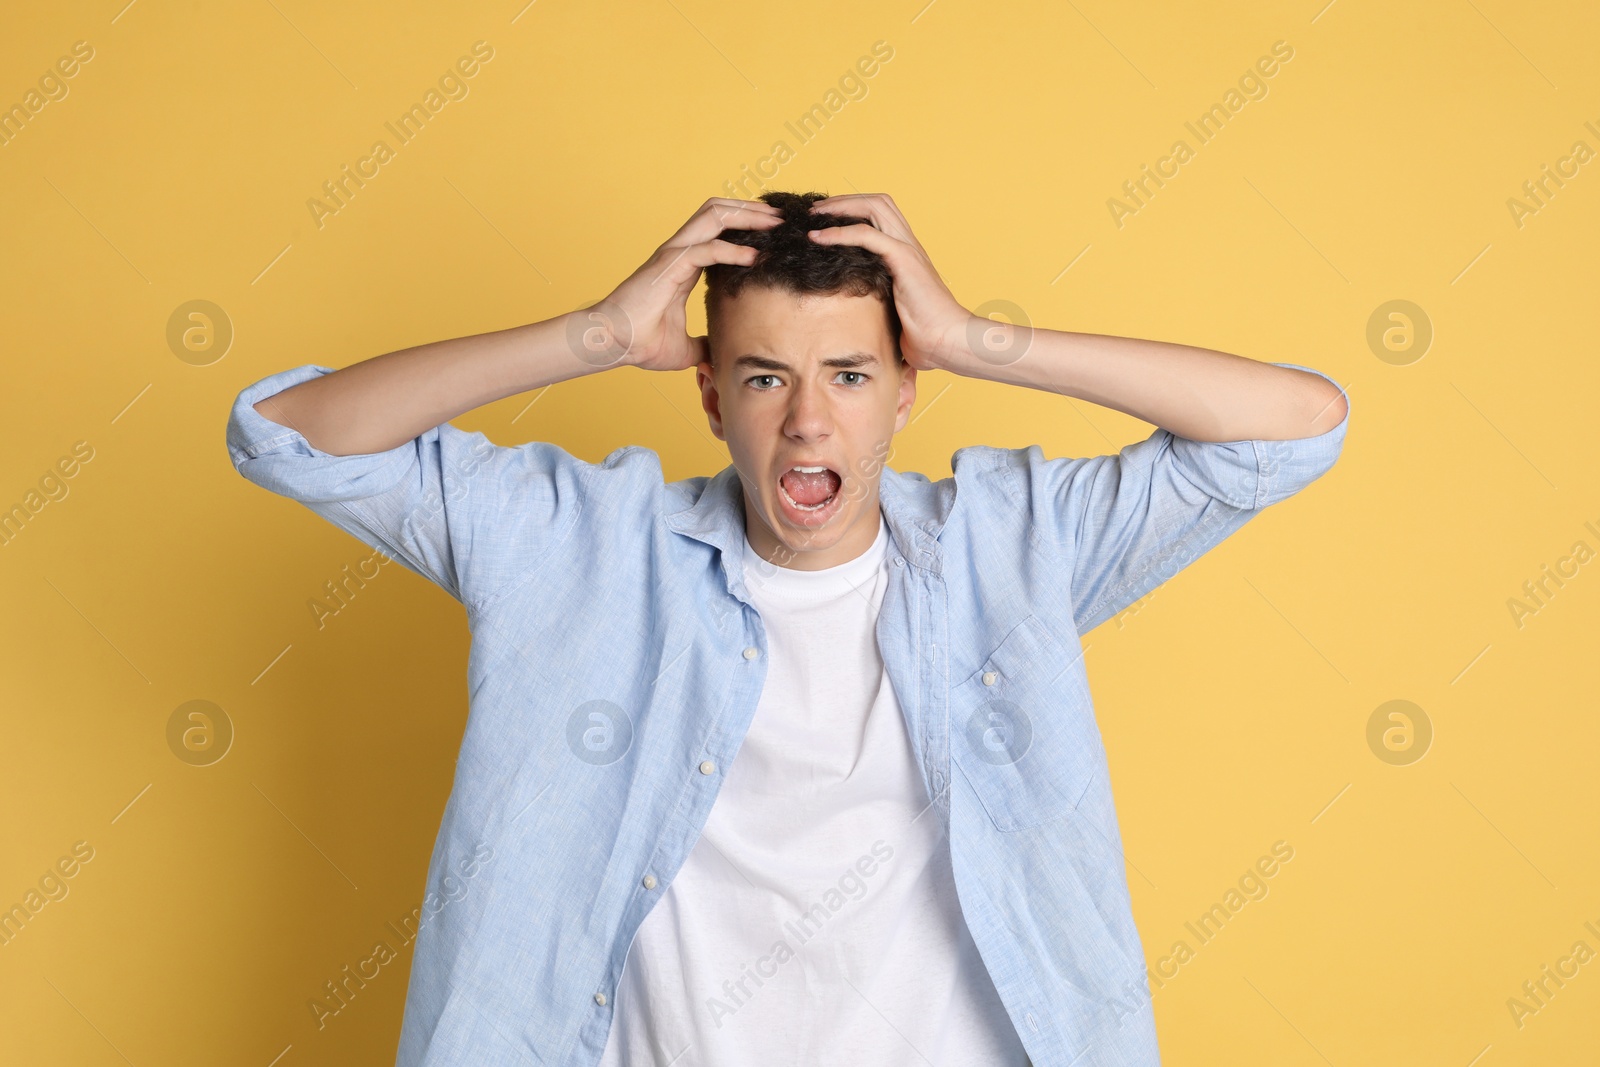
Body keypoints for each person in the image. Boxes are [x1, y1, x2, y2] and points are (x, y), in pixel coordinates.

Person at [226, 190, 1349, 1067]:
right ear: (711, 395)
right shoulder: (583, 547)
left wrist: (972, 336)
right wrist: (599, 335)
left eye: (851, 374)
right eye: (764, 377)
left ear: (905, 390)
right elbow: (287, 436)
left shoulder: (1011, 547)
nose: (810, 418)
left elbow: (1296, 426)